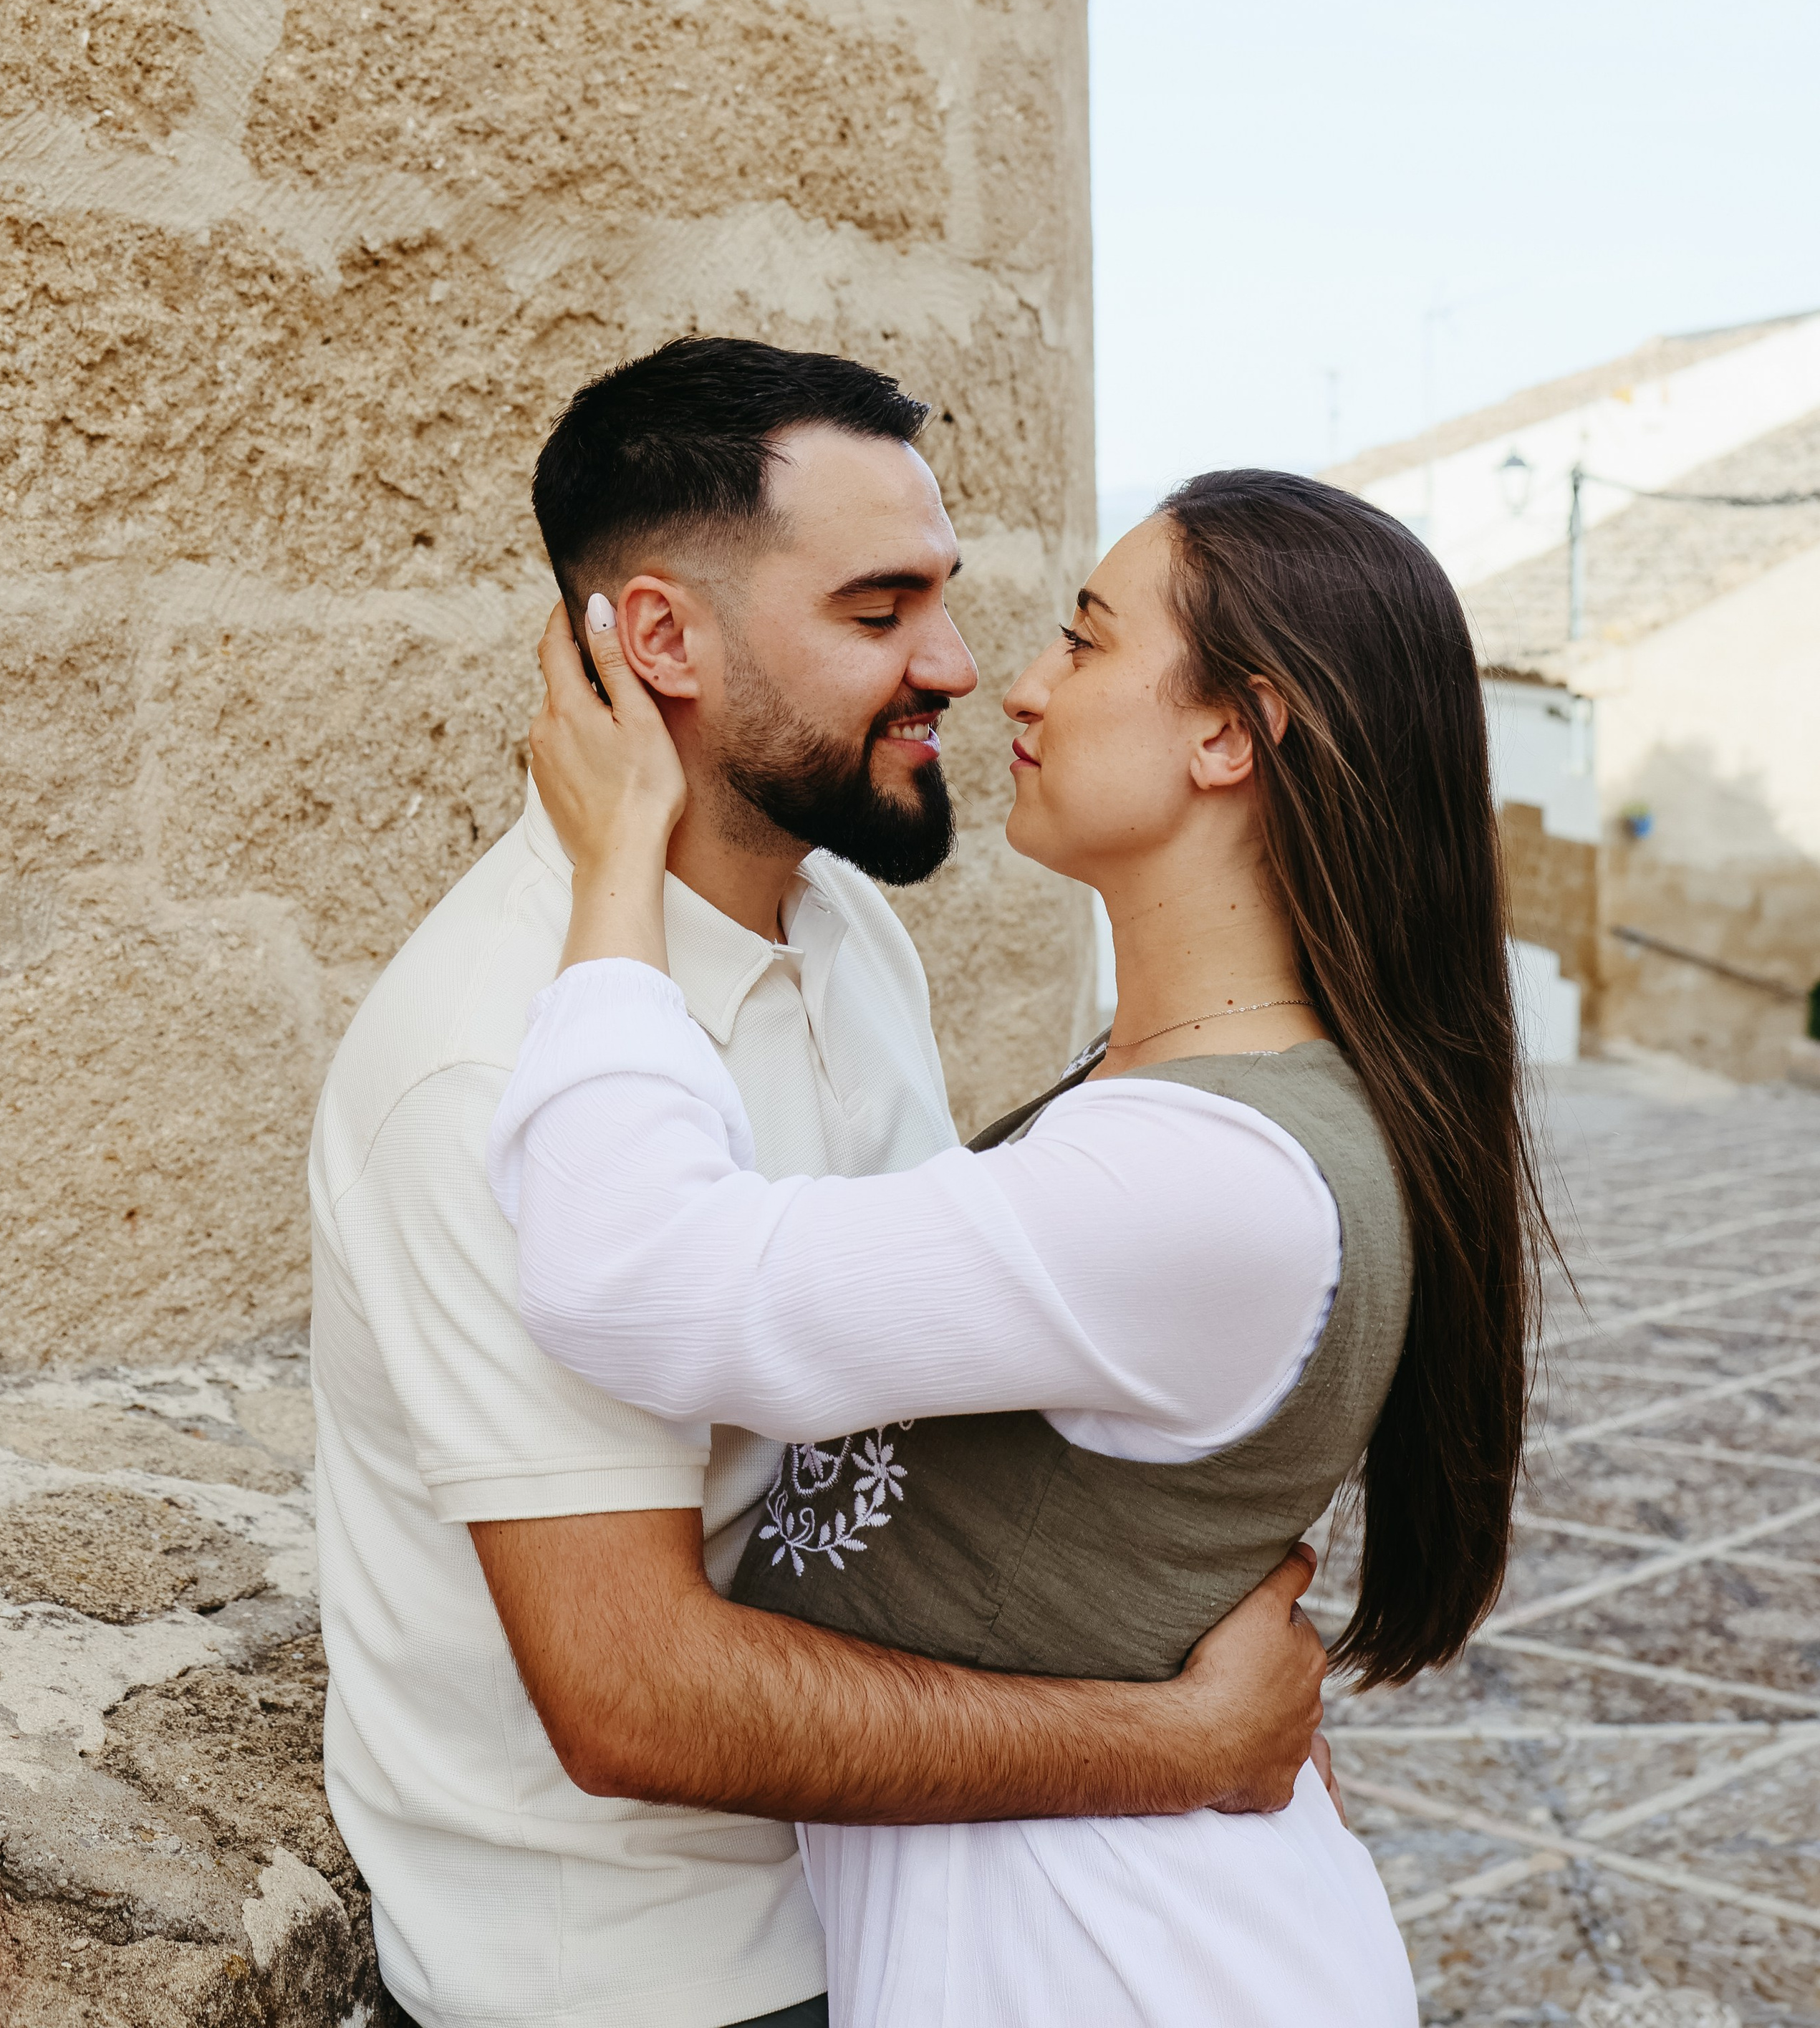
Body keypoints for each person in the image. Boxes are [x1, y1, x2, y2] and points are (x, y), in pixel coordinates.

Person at [311, 342, 1329, 2028]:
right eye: (877, 613)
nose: (953, 664)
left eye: (944, 597)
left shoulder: (846, 921)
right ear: (658, 642)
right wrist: (1176, 1747)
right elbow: (632, 1698)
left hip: (900, 1890)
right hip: (659, 1977)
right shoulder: (482, 1067)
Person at [489, 465, 1549, 2027]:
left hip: (1116, 1957)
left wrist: (611, 873)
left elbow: (629, 1274)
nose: (1015, 683)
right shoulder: (1198, 1098)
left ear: (1226, 732)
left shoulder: (1211, 1176)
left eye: (1084, 638)